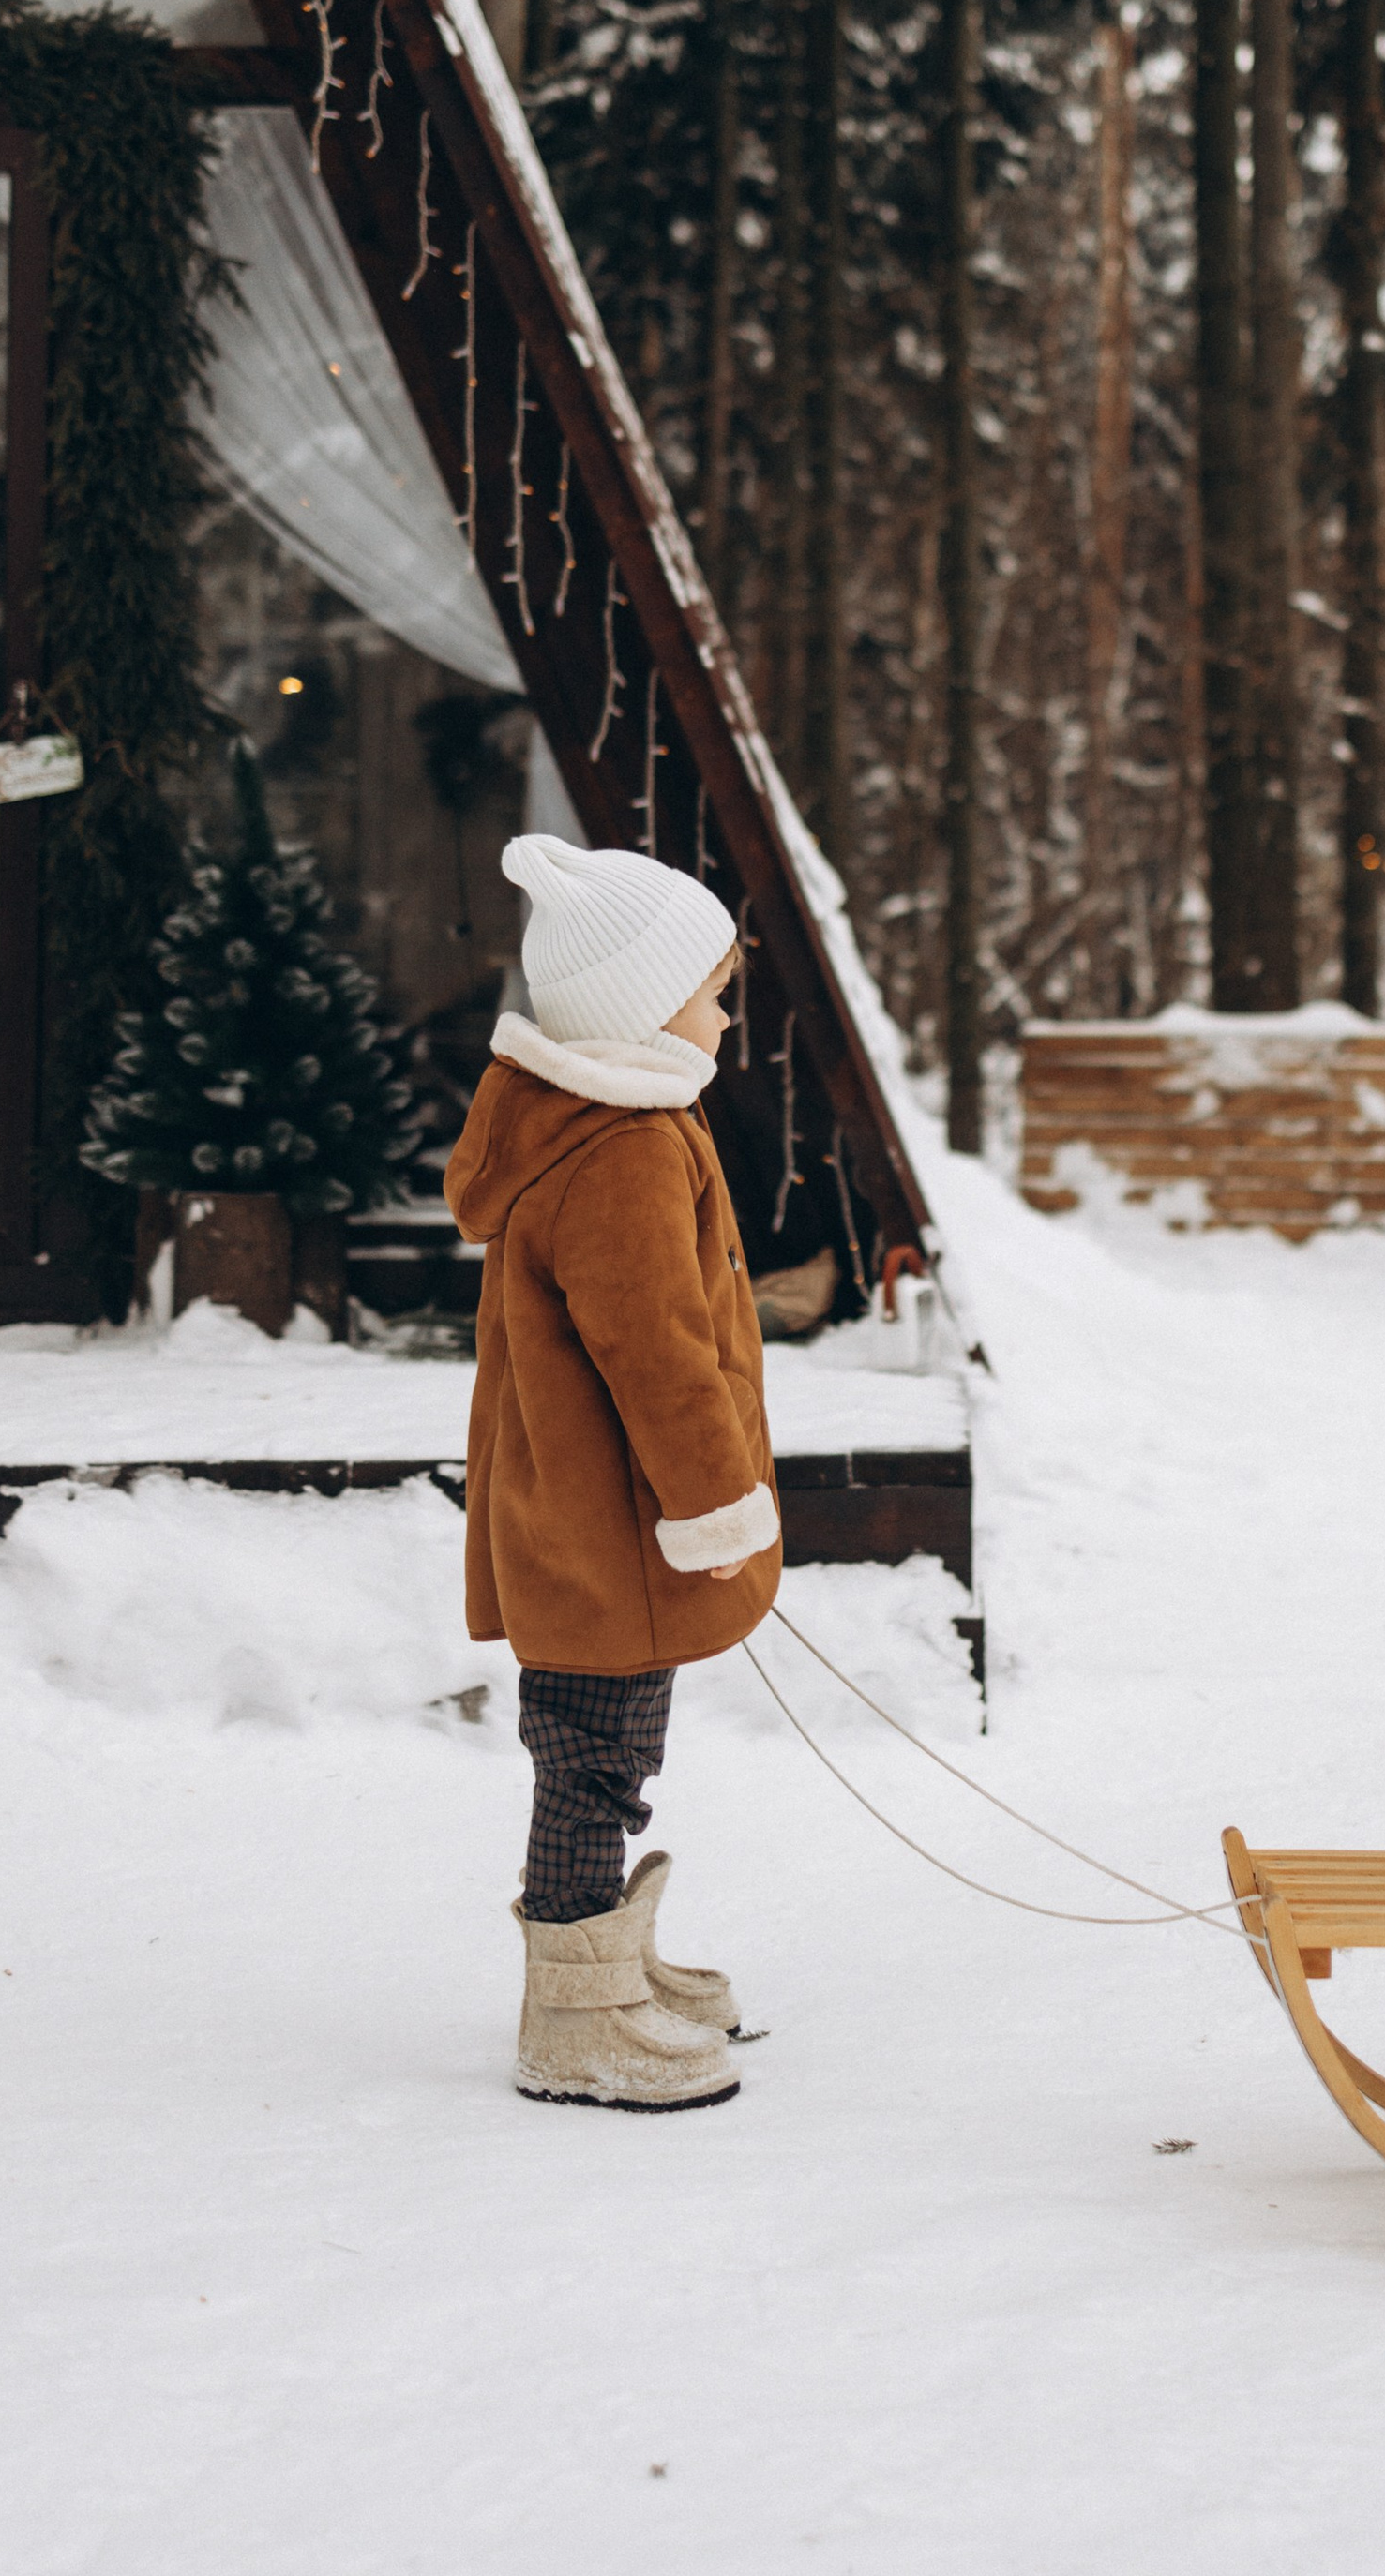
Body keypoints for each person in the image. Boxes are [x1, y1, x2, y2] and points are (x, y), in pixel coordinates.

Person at [445, 831, 782, 2111]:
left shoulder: (597, 1122)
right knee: (592, 1751)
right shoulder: (623, 1147)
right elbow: (656, 1354)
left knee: (608, 1738)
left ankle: (612, 1964)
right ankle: (575, 2015)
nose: (725, 1010)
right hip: (609, 1518)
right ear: (645, 1005)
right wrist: (714, 1501)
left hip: (585, 1508)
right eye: (713, 989)